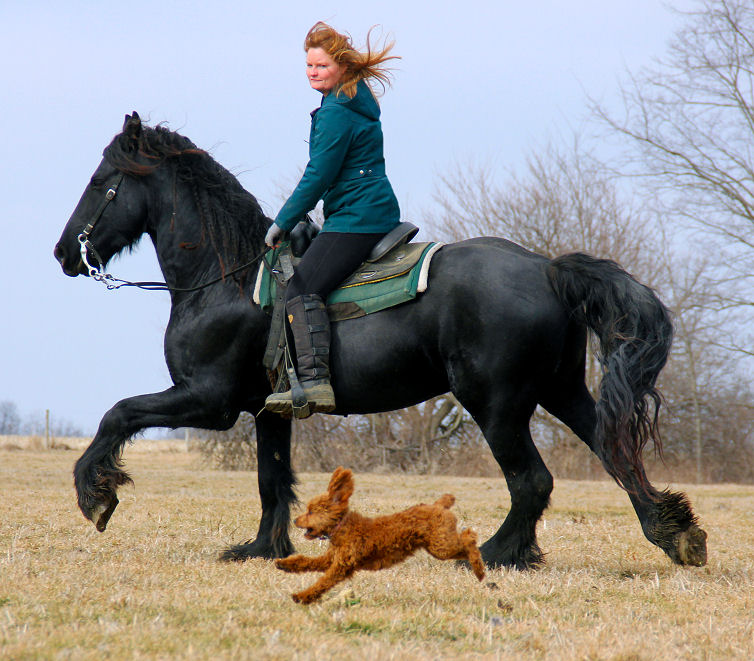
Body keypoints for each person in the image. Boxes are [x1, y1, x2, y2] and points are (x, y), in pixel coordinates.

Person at [264, 22, 402, 416]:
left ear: (341, 67)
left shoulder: (337, 112)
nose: (313, 72)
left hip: (358, 219)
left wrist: (283, 221)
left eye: (321, 65)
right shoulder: (353, 101)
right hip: (368, 210)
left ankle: (314, 383)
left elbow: (318, 175)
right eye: (309, 65)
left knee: (300, 289)